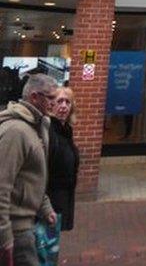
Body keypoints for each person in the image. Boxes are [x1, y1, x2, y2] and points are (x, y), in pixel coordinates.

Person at [0, 74, 58, 266]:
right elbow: (1, 186)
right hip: (16, 229)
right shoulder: (16, 131)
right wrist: (5, 237)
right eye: (50, 98)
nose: (55, 103)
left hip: (27, 223)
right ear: (34, 97)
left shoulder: (38, 126)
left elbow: (32, 175)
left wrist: (44, 206)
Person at [47, 87, 79, 232]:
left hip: (63, 195)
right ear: (50, 105)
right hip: (50, 199)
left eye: (68, 102)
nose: (64, 106)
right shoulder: (48, 130)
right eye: (59, 101)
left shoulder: (65, 129)